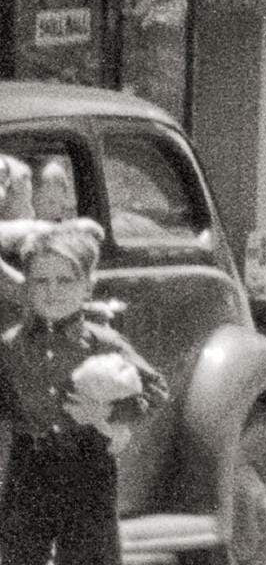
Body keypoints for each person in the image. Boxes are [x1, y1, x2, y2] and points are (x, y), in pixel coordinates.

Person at [0, 220, 169, 565]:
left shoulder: (102, 343)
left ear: (87, 287)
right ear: (26, 287)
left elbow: (155, 390)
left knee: (89, 555)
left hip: (86, 464)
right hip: (29, 466)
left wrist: (107, 414)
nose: (52, 290)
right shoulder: (11, 345)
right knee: (19, 552)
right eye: (41, 281)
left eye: (66, 280)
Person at [33, 158, 78, 222]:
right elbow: (65, 183)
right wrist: (66, 192)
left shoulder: (46, 170)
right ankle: (58, 221)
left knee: (51, 208)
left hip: (48, 192)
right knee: (59, 208)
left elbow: (43, 182)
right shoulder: (59, 169)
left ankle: (51, 221)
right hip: (58, 192)